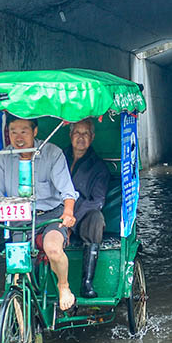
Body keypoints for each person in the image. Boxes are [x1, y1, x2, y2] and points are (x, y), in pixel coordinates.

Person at [0, 115, 78, 311]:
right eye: (13, 132)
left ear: (35, 132)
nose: (18, 137)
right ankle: (21, 322)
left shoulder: (52, 153)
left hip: (50, 215)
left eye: (24, 131)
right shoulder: (2, 158)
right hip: (20, 218)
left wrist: (68, 213)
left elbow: (67, 191)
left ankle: (64, 286)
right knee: (16, 272)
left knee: (54, 250)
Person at [64, 118, 110, 298]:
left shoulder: (99, 167)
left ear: (92, 137)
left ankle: (86, 282)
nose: (81, 137)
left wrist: (72, 221)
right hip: (58, 212)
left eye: (85, 134)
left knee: (96, 218)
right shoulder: (59, 158)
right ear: (70, 135)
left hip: (82, 217)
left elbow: (97, 200)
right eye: (77, 133)